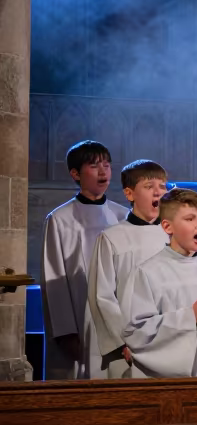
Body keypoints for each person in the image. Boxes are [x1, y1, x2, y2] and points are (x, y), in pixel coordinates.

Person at [122, 188, 197, 378]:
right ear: (168, 227)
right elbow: (137, 332)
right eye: (190, 219)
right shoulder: (148, 272)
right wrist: (190, 316)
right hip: (165, 380)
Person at [41, 140, 127, 379]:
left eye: (107, 165)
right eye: (94, 165)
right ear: (75, 174)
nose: (103, 171)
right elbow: (54, 277)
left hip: (118, 323)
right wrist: (66, 332)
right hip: (78, 321)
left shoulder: (122, 216)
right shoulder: (60, 219)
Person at [87, 159, 169, 378]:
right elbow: (102, 296)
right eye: (149, 186)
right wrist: (122, 341)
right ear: (129, 194)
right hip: (128, 347)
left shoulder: (174, 235)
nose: (158, 192)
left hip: (169, 340)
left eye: (162, 186)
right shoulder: (112, 238)